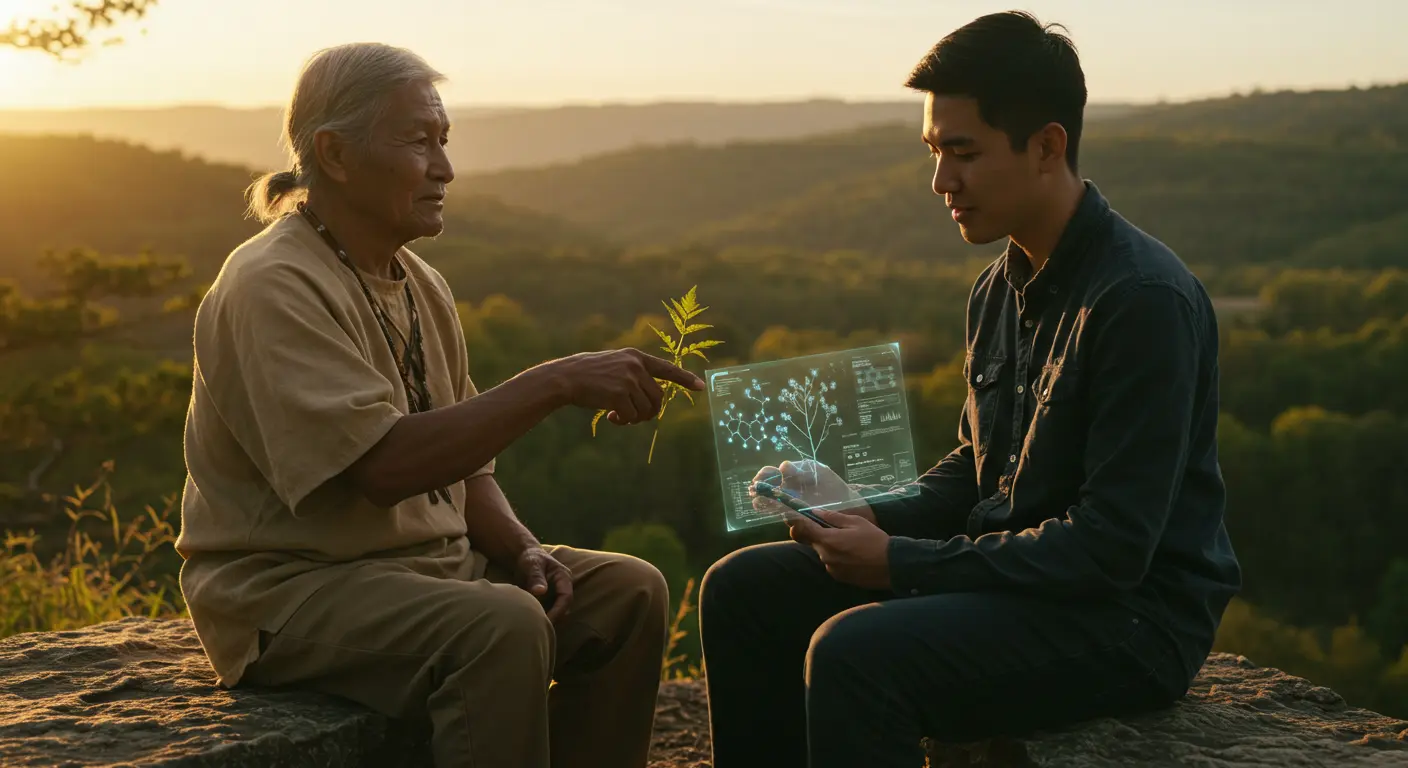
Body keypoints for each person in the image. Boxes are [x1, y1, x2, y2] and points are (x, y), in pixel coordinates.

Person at [698, 11, 1242, 768]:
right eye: (933, 151)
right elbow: (975, 470)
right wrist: (855, 511)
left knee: (854, 653)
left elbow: (1113, 552)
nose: (939, 181)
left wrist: (900, 562)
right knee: (741, 591)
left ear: (1047, 146)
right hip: (1024, 587)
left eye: (963, 153)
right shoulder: (996, 290)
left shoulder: (1141, 301)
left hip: (1130, 621)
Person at [173, 42, 705, 768]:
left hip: (428, 572)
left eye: (444, 141)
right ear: (333, 153)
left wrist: (522, 549)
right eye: (418, 142)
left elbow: (468, 472)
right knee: (503, 627)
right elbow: (382, 468)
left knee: (627, 593)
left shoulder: (419, 282)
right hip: (290, 591)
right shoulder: (272, 285)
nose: (445, 168)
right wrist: (555, 381)